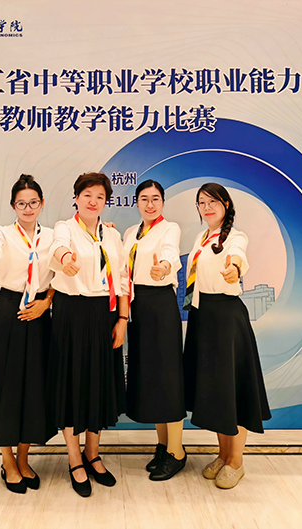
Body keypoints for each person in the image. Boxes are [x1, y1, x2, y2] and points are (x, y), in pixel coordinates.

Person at [0, 174, 56, 494]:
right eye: (21, 203)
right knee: (4, 385)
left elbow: (60, 274)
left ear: (41, 203)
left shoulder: (52, 236)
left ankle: (24, 458)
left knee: (33, 387)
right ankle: (7, 460)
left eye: (33, 202)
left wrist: (46, 303)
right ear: (13, 206)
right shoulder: (3, 233)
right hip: (8, 312)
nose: (28, 208)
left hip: (39, 314)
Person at [183, 182, 271, 489]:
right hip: (202, 316)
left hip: (226, 317)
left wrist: (234, 269)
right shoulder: (201, 238)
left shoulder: (235, 236)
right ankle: (222, 454)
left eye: (213, 202)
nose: (207, 207)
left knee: (233, 389)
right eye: (202, 202)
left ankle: (236, 461)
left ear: (226, 205)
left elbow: (236, 256)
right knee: (216, 390)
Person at [47, 172, 128, 497]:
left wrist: (122, 318)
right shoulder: (65, 228)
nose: (93, 201)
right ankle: (74, 458)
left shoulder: (112, 235)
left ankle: (93, 454)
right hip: (71, 313)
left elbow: (122, 276)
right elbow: (58, 247)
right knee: (73, 384)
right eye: (87, 195)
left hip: (104, 315)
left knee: (98, 383)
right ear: (76, 198)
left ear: (106, 202)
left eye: (99, 197)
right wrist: (66, 259)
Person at [122, 180, 187, 481]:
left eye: (156, 199)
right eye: (145, 199)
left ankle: (177, 452)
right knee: (152, 379)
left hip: (160, 304)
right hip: (138, 307)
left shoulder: (169, 228)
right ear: (136, 202)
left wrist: (164, 267)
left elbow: (170, 253)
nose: (150, 204)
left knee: (168, 378)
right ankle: (163, 446)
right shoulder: (129, 233)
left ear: (163, 202)